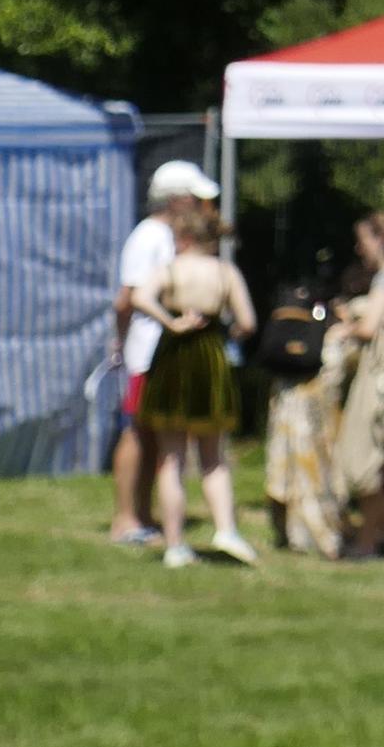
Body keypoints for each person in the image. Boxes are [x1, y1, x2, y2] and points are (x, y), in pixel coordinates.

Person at [270, 208, 384, 560]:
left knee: (361, 464)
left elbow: (369, 328)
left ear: (380, 240)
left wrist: (345, 328)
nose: (359, 249)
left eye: (363, 241)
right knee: (368, 460)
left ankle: (368, 543)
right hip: (381, 379)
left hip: (377, 381)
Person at [131, 195, 257, 567]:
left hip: (173, 359)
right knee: (213, 456)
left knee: (172, 458)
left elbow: (140, 297)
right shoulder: (225, 272)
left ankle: (175, 545)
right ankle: (226, 529)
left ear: (184, 238)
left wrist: (170, 322)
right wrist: (230, 335)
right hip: (210, 358)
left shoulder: (170, 269)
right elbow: (247, 322)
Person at [107, 160, 220, 546]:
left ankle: (143, 514)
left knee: (155, 435)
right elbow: (127, 299)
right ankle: (125, 518)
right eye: (195, 198)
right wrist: (122, 342)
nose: (201, 206)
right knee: (137, 432)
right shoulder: (149, 236)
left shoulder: (166, 236)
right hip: (147, 352)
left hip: (164, 352)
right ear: (176, 199)